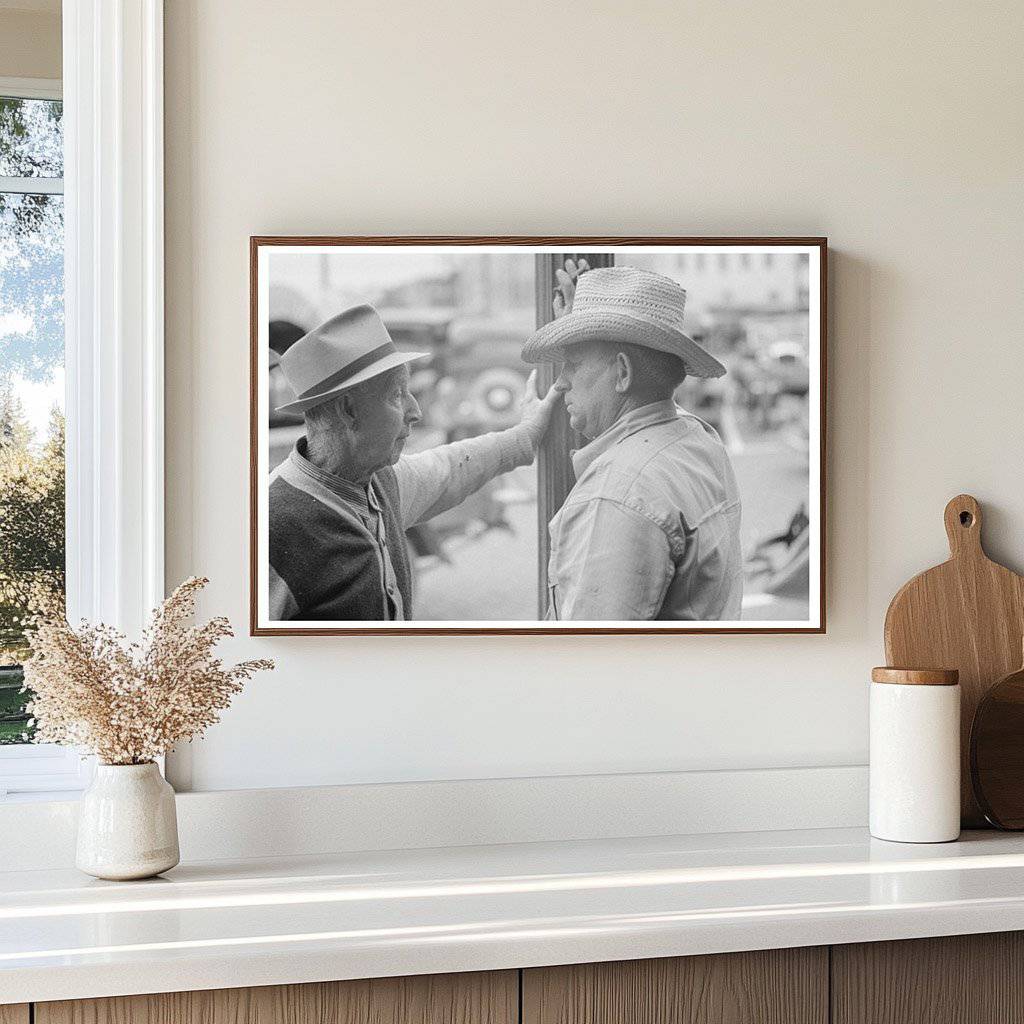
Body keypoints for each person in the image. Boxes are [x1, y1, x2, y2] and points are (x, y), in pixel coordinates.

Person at [268, 303, 558, 621]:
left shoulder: (381, 481)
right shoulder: (271, 524)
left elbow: (451, 467)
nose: (415, 410)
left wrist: (526, 436)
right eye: (396, 395)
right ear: (348, 410)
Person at [521, 263, 743, 620]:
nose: (561, 382)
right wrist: (586, 332)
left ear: (622, 373)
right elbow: (638, 411)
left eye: (573, 364)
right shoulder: (699, 439)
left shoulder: (617, 493)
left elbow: (592, 664)